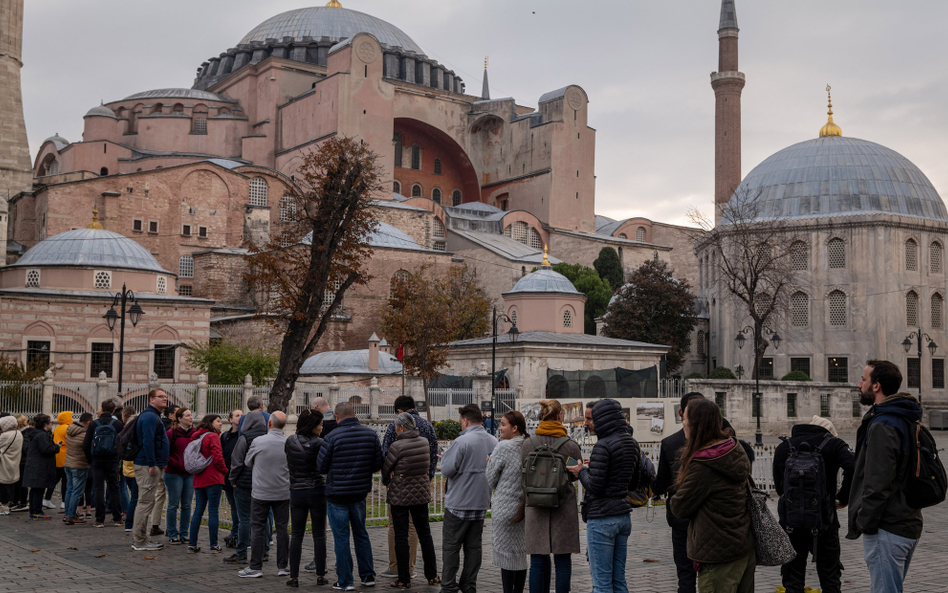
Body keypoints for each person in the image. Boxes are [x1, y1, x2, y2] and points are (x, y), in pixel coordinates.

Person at [849, 360, 924, 593]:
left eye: (863, 379)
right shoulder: (906, 418)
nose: (859, 384)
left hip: (888, 528)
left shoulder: (883, 424)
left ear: (876, 386)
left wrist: (865, 522)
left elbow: (877, 483)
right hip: (907, 521)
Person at [669, 397, 755, 593]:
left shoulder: (704, 464)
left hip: (718, 555)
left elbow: (679, 507)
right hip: (742, 546)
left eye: (685, 418)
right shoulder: (732, 448)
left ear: (695, 424)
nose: (683, 423)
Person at [773, 416, 854, 593]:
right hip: (825, 520)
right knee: (830, 577)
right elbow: (853, 466)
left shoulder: (784, 447)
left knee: (793, 578)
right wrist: (843, 497)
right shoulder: (834, 444)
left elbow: (779, 487)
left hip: (791, 523)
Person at [569, 399, 638, 593]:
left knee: (601, 584)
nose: (587, 424)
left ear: (603, 420)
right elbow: (633, 483)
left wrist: (582, 471)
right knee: (618, 581)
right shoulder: (631, 443)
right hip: (623, 515)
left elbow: (595, 487)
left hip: (602, 519)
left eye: (593, 419)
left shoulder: (603, 445)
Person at [316, 402, 383, 591]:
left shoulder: (331, 437)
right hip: (359, 493)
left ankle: (345, 581)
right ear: (355, 414)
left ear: (337, 417)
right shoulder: (370, 434)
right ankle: (368, 575)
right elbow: (378, 463)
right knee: (361, 533)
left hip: (337, 494)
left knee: (341, 537)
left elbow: (321, 466)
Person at [521, 399, 582, 593]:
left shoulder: (528, 444)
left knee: (537, 562)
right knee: (563, 562)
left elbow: (523, 474)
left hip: (536, 507)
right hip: (562, 507)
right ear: (559, 417)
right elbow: (575, 475)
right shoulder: (570, 446)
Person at [652, 392, 708, 593]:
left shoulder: (670, 443)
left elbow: (663, 483)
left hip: (682, 517)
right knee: (710, 574)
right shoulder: (721, 441)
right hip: (710, 518)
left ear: (681, 412)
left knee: (685, 574)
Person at [380, 395, 439, 580]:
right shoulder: (427, 428)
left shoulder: (394, 432)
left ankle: (400, 572)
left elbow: (385, 459)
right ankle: (431, 574)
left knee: (399, 532)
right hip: (421, 488)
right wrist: (426, 477)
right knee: (423, 532)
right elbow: (433, 454)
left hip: (400, 490)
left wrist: (388, 479)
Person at [441, 403, 498, 593]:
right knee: (474, 547)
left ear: (465, 421)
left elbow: (447, 469)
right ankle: (468, 584)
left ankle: (448, 585)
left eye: (460, 422)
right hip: (480, 502)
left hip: (458, 502)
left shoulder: (462, 442)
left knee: (451, 546)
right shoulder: (493, 441)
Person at [238, 411, 290, 579]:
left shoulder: (258, 441)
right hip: (283, 491)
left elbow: (247, 462)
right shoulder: (288, 442)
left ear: (269, 424)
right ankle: (283, 566)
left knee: (258, 528)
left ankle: (255, 566)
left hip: (261, 492)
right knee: (282, 528)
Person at [486, 411, 529, 593]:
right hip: (526, 508)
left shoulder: (503, 447)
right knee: (520, 556)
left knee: (506, 558)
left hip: (505, 508)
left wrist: (490, 462)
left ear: (514, 428)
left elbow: (490, 479)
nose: (499, 427)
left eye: (503, 424)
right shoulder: (530, 445)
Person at [285, 409, 328, 587]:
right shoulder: (320, 443)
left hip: (297, 491)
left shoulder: (290, 441)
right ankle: (320, 575)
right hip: (317, 490)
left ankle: (293, 577)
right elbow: (324, 466)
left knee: (296, 535)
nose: (322, 427)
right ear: (312, 426)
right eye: (320, 424)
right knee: (319, 534)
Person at [226, 409, 269, 566]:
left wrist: (232, 479)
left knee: (244, 518)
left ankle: (241, 553)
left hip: (245, 483)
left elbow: (236, 462)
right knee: (263, 518)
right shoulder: (269, 436)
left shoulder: (245, 438)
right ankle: (264, 551)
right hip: (264, 483)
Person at [131, 389, 170, 552]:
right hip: (147, 465)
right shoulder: (149, 416)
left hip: (151, 464)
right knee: (145, 502)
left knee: (147, 502)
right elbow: (148, 440)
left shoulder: (154, 416)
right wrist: (152, 463)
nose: (165, 399)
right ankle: (139, 541)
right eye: (161, 397)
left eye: (166, 397)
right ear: (152, 399)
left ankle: (141, 539)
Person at [188, 414, 228, 553]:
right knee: (213, 511)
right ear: (210, 423)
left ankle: (192, 543)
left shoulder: (197, 436)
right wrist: (225, 471)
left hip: (199, 476)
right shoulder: (213, 436)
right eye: (218, 421)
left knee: (198, 510)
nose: (221, 424)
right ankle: (213, 544)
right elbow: (217, 456)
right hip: (213, 477)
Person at [82, 399, 125, 527]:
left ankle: (99, 519)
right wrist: (119, 458)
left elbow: (86, 444)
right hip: (112, 460)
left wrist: (90, 459)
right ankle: (117, 518)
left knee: (98, 488)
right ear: (113, 410)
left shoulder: (94, 424)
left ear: (101, 409)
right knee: (114, 488)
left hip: (97, 460)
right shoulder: (117, 424)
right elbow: (122, 443)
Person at [164, 406, 195, 544]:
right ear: (179, 418)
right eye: (187, 415)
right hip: (174, 473)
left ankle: (184, 533)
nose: (190, 418)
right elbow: (165, 452)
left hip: (189, 473)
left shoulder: (194, 433)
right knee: (173, 504)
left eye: (191, 415)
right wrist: (176, 463)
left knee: (187, 505)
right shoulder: (172, 433)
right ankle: (172, 533)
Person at [22, 413, 61, 520]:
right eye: (51, 422)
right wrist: (57, 447)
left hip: (34, 465)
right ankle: (37, 512)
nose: (52, 424)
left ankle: (33, 511)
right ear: (45, 424)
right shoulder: (42, 435)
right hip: (40, 467)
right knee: (39, 490)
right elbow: (46, 450)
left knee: (35, 490)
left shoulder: (34, 434)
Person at [63, 412, 92, 525]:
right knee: (77, 492)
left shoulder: (71, 430)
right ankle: (71, 516)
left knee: (69, 490)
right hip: (79, 465)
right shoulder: (84, 434)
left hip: (68, 463)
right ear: (88, 422)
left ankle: (67, 514)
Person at [220, 409, 242, 549]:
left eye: (241, 415)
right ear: (230, 419)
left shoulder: (243, 436)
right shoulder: (225, 436)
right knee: (233, 507)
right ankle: (235, 532)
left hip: (240, 478)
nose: (240, 418)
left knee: (241, 508)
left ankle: (239, 533)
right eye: (237, 415)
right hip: (228, 478)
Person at [0, 415, 23, 515]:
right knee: (8, 486)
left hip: (4, 463)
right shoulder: (18, 433)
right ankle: (5, 506)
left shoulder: (5, 435)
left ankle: (3, 508)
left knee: (3, 487)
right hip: (13, 463)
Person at [121, 406, 139, 532]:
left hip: (126, 468)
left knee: (134, 496)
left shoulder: (123, 433)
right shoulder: (135, 436)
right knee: (136, 498)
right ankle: (130, 523)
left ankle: (129, 522)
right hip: (136, 469)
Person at [50, 410, 71, 511]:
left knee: (55, 479)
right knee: (65, 480)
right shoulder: (67, 428)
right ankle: (64, 501)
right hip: (65, 456)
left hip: (57, 455)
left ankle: (47, 498)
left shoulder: (57, 428)